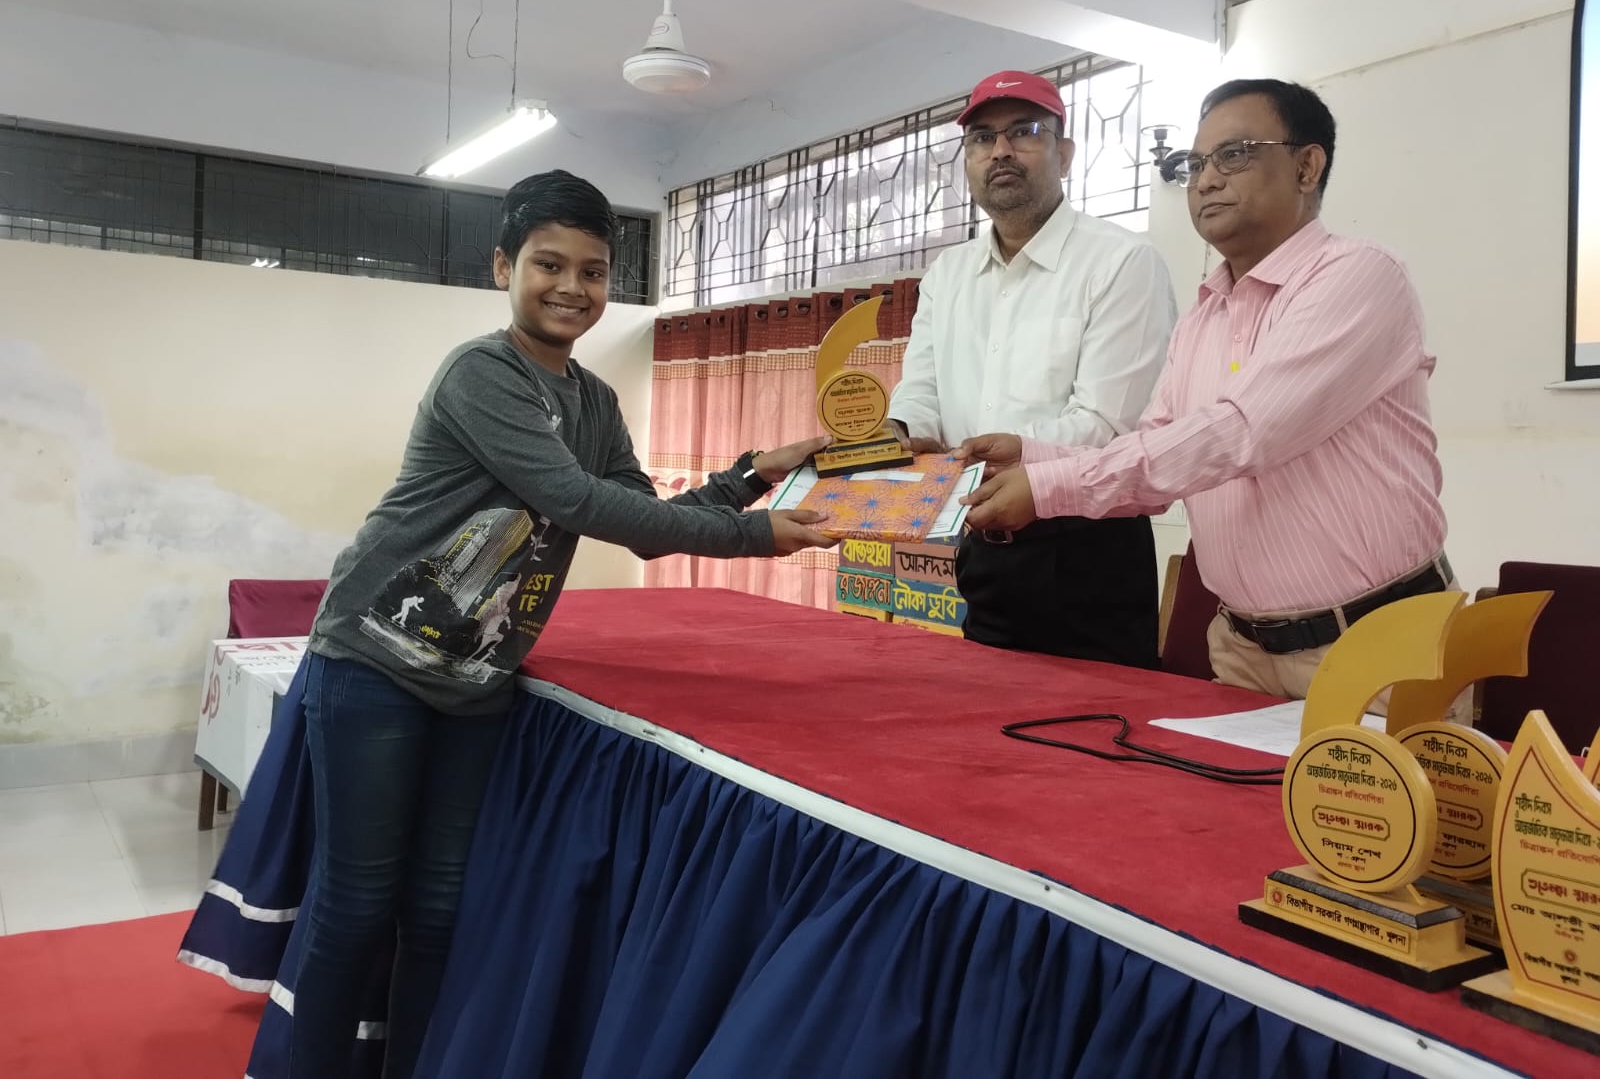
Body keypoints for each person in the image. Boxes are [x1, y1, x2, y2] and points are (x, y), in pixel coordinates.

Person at [283, 170, 834, 1078]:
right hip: (373, 663)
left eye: (593, 270)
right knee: (356, 905)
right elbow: (579, 501)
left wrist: (750, 478)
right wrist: (753, 536)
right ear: (504, 266)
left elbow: (644, 522)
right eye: (549, 264)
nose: (572, 287)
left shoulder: (594, 401)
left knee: (439, 908)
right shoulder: (480, 373)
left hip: (476, 683)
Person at [959, 79, 1465, 717]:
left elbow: (1242, 432)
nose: (1206, 181)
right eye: (1196, 163)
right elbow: (1155, 460)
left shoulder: (1359, 276)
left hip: (1375, 642)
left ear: (1307, 166)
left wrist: (1048, 487)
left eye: (1235, 155)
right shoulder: (1204, 316)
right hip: (1242, 648)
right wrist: (1030, 454)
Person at [888, 69, 1177, 668]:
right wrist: (893, 435)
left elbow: (1111, 427)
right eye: (982, 138)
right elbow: (921, 391)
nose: (1000, 151)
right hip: (983, 543)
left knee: (1098, 721)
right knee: (981, 712)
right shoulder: (947, 274)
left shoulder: (1122, 262)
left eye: (1024, 131)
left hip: (1087, 549)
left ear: (1064, 154)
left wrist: (1011, 453)